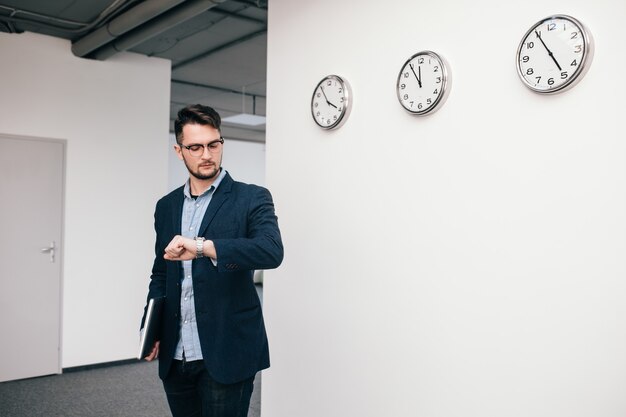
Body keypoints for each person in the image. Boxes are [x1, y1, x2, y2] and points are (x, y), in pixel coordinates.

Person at [141, 104, 284, 417]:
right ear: (179, 151)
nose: (206, 154)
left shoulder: (252, 197)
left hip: (227, 348)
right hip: (177, 351)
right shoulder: (166, 207)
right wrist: (151, 326)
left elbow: (271, 250)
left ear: (221, 144)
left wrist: (203, 247)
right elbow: (160, 274)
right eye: (195, 147)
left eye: (213, 144)